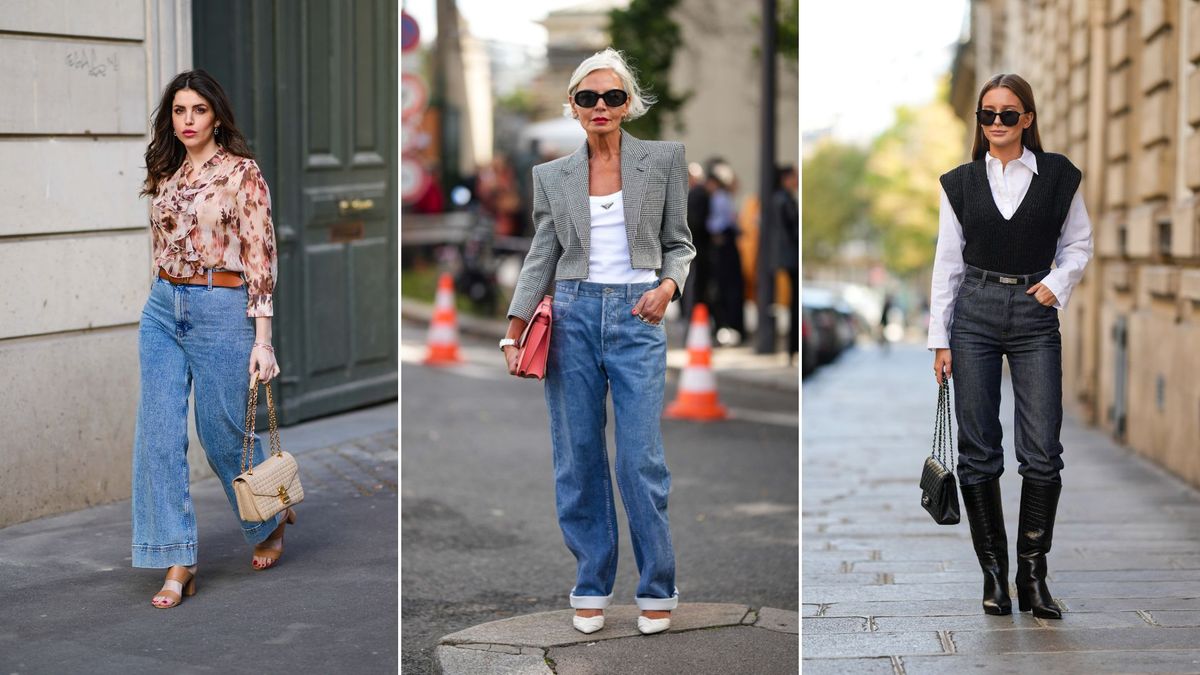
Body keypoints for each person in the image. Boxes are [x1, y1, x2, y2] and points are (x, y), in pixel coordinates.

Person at [499, 48, 695, 636]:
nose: (601, 107)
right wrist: (514, 329)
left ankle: (657, 586)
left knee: (640, 461)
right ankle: (592, 582)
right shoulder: (551, 176)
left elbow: (680, 243)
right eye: (588, 98)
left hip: (639, 317)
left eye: (612, 97)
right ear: (574, 108)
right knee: (578, 459)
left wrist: (668, 288)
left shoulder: (662, 161)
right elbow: (542, 255)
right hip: (574, 315)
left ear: (628, 103)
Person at [929, 73, 1092, 620]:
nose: (996, 123)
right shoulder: (959, 183)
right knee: (978, 450)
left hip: (1034, 312)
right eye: (987, 114)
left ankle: (1033, 574)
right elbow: (947, 264)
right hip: (972, 313)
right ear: (980, 122)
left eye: (1007, 113)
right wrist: (939, 339)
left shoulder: (1059, 177)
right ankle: (994, 576)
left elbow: (1079, 244)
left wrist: (1058, 284)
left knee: (1042, 450)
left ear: (1028, 118)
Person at [135, 69, 292, 609]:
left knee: (222, 434)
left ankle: (269, 517)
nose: (187, 121)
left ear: (216, 115)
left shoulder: (242, 174)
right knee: (157, 435)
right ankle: (179, 560)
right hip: (162, 308)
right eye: (178, 111)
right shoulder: (165, 171)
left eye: (197, 111)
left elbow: (260, 257)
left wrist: (262, 338)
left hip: (221, 306)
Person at [706, 162, 745, 343]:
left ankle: (729, 325)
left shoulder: (721, 197)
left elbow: (721, 222)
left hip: (726, 243)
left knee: (727, 287)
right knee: (727, 287)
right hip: (726, 243)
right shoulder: (721, 197)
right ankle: (729, 325)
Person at [771, 164, 799, 361]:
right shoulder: (785, 200)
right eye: (794, 176)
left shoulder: (780, 199)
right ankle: (792, 348)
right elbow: (793, 229)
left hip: (785, 257)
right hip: (790, 258)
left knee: (791, 304)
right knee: (792, 304)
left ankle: (792, 348)